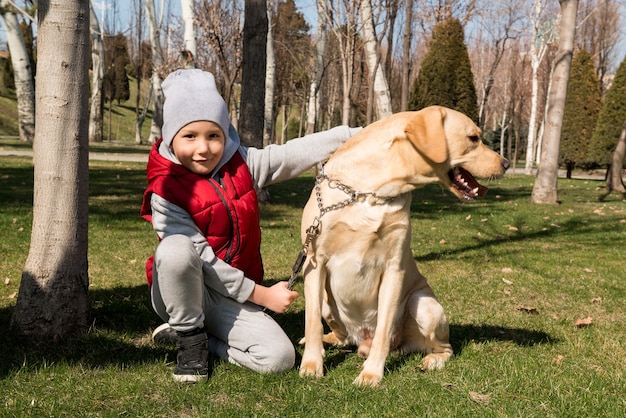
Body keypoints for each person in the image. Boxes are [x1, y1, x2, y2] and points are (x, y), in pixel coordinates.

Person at [140, 69, 360, 383]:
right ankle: (190, 342)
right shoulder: (164, 189)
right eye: (190, 136)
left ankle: (204, 339)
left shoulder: (241, 164)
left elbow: (290, 154)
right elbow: (204, 261)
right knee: (176, 248)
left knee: (279, 358)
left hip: (227, 296)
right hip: (180, 291)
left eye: (213, 135)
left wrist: (357, 134)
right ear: (172, 138)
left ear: (225, 133)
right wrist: (261, 295)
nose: (203, 148)